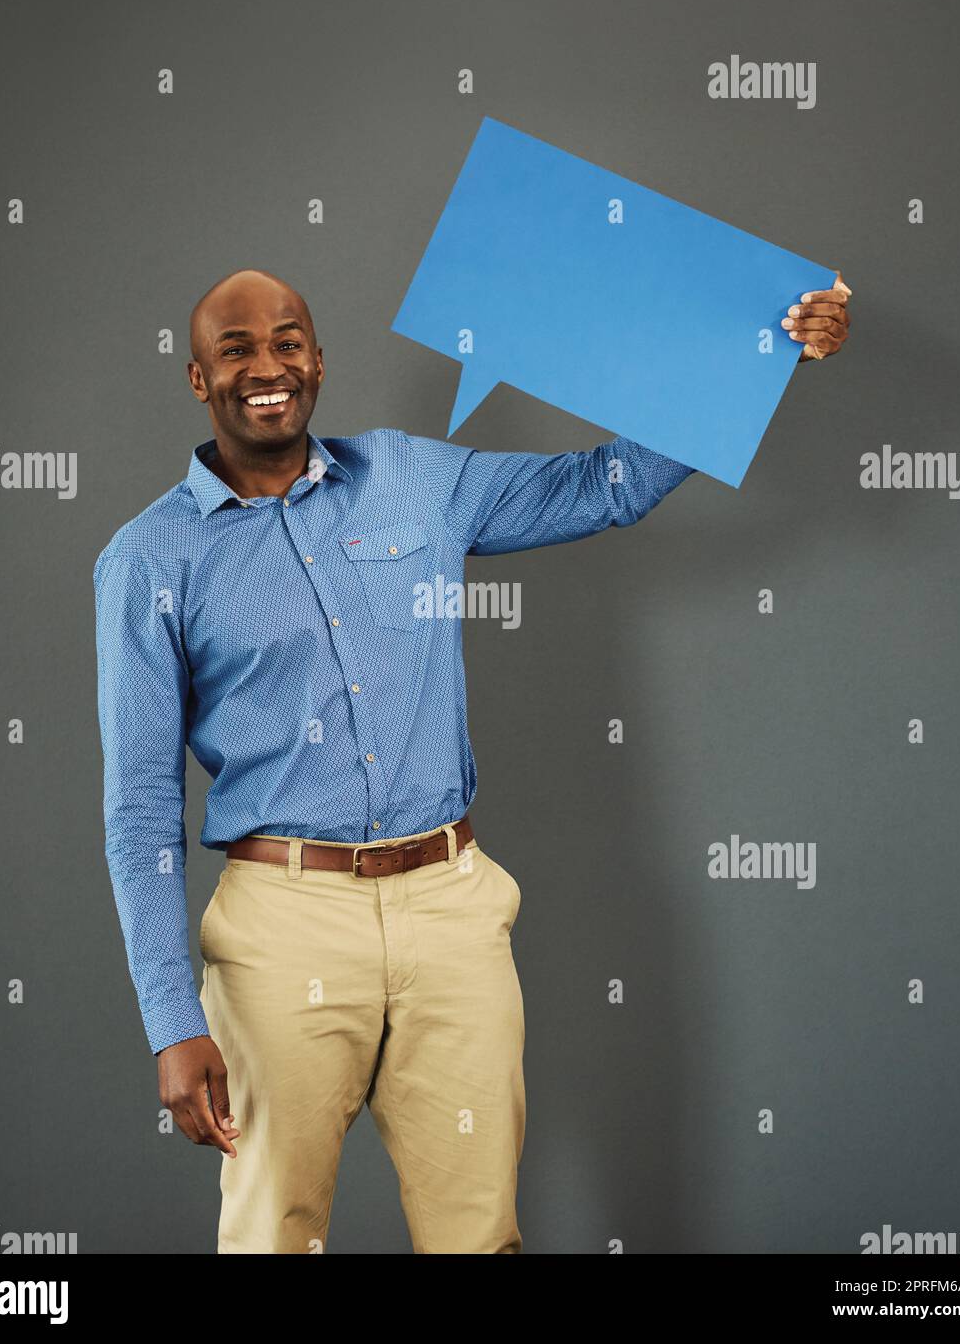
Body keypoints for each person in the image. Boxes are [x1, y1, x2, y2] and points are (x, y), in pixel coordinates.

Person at [93, 266, 851, 1254]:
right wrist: (167, 1017)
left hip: (451, 910)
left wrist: (765, 356)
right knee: (271, 1234)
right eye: (235, 350)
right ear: (198, 379)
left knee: (478, 1233)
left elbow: (605, 485)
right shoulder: (149, 560)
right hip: (283, 929)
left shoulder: (413, 479)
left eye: (288, 342)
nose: (267, 366)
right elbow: (140, 805)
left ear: (318, 361)